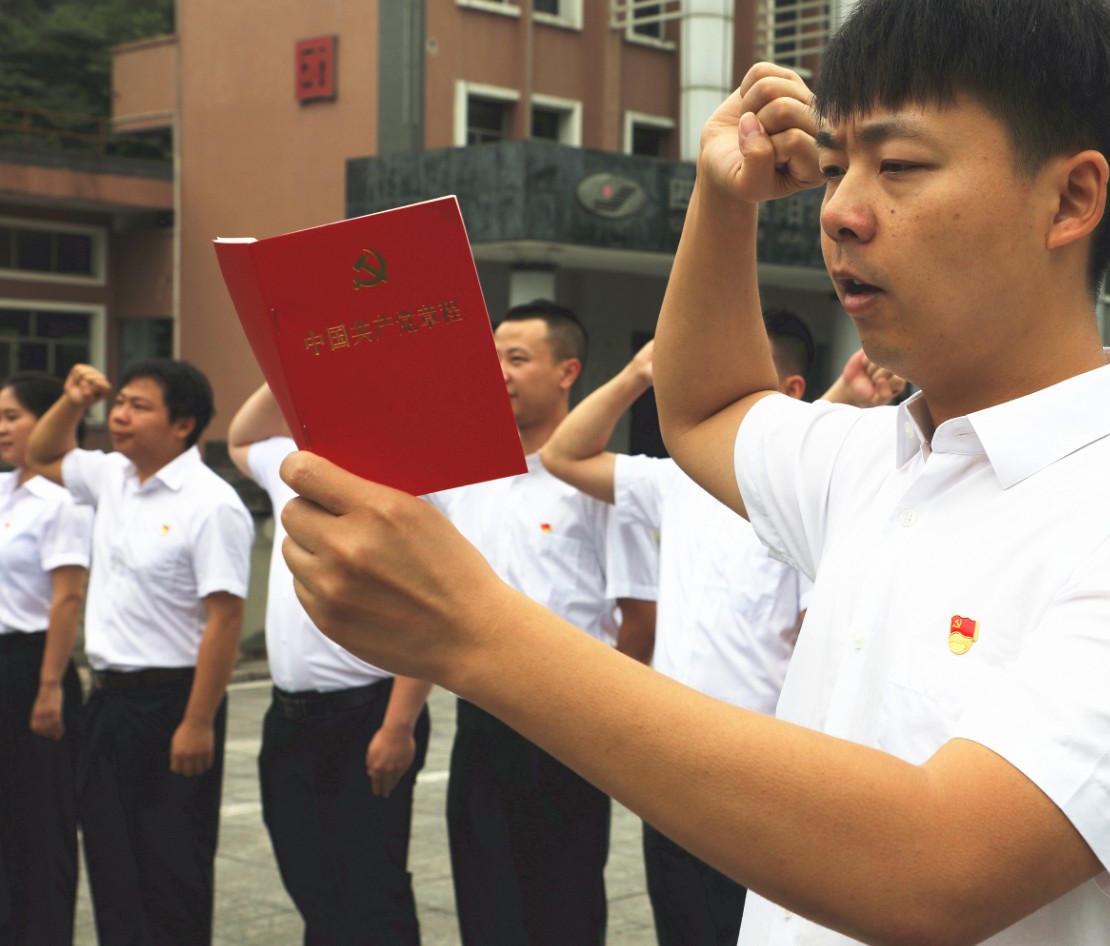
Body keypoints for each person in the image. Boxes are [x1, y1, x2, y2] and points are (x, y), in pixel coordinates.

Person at [278, 0, 1110, 944]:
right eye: (838, 163)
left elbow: (935, 869)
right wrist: (723, 198)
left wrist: (477, 632)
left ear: (1071, 199)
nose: (841, 211)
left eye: (899, 166)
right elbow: (706, 409)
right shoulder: (875, 461)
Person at [541, 316, 903, 945]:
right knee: (679, 922)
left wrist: (842, 400)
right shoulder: (676, 480)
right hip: (671, 758)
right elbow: (563, 456)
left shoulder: (807, 507)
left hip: (759, 771)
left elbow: (822, 637)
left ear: (790, 392)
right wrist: (637, 373)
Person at [428, 298, 657, 945]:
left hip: (568, 725)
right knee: (484, 897)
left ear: (567, 371)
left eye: (516, 357)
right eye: (492, 356)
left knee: (563, 904)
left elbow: (639, 620)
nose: (498, 371)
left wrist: (601, 720)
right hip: (480, 720)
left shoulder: (597, 486)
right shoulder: (466, 480)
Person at [28, 358, 253, 946]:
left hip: (171, 704)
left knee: (170, 868)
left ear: (183, 425)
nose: (120, 415)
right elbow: (41, 451)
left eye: (138, 406)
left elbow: (226, 620)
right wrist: (75, 400)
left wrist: (197, 723)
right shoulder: (112, 476)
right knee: (113, 864)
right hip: (108, 702)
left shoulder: (211, 503)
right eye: (119, 402)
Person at [227, 382, 433, 945]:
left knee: (372, 885)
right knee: (309, 877)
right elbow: (241, 438)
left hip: (366, 718)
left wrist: (398, 726)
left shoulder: (399, 487)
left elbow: (427, 619)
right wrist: (285, 365)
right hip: (289, 717)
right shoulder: (295, 470)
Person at [0, 372, 91, 945]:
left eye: (12, 416)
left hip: (35, 666)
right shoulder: (3, 490)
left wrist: (50, 686)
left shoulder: (63, 501)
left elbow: (68, 598)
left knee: (40, 820)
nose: (2, 428)